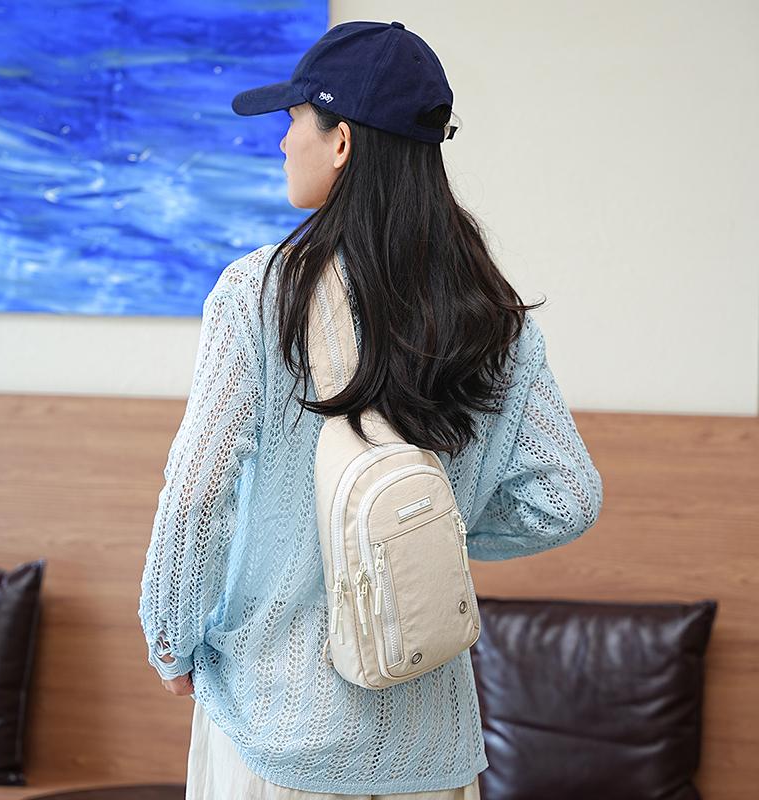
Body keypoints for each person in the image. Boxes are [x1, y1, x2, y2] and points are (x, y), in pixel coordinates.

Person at [137, 18, 604, 800]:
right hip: (430, 743)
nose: (283, 141)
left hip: (276, 732)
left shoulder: (261, 294)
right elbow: (568, 498)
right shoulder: (492, 319)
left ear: (342, 141)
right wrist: (425, 531)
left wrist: (169, 639)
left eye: (294, 120)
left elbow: (197, 492)